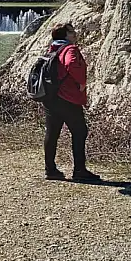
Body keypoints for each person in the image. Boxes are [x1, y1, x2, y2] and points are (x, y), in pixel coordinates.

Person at [43, 23, 100, 182]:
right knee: (80, 131)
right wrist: (82, 82)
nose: (75, 34)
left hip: (50, 97)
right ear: (65, 35)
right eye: (71, 32)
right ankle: (79, 170)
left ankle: (50, 170)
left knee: (52, 133)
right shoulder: (69, 49)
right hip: (68, 97)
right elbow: (71, 64)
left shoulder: (52, 49)